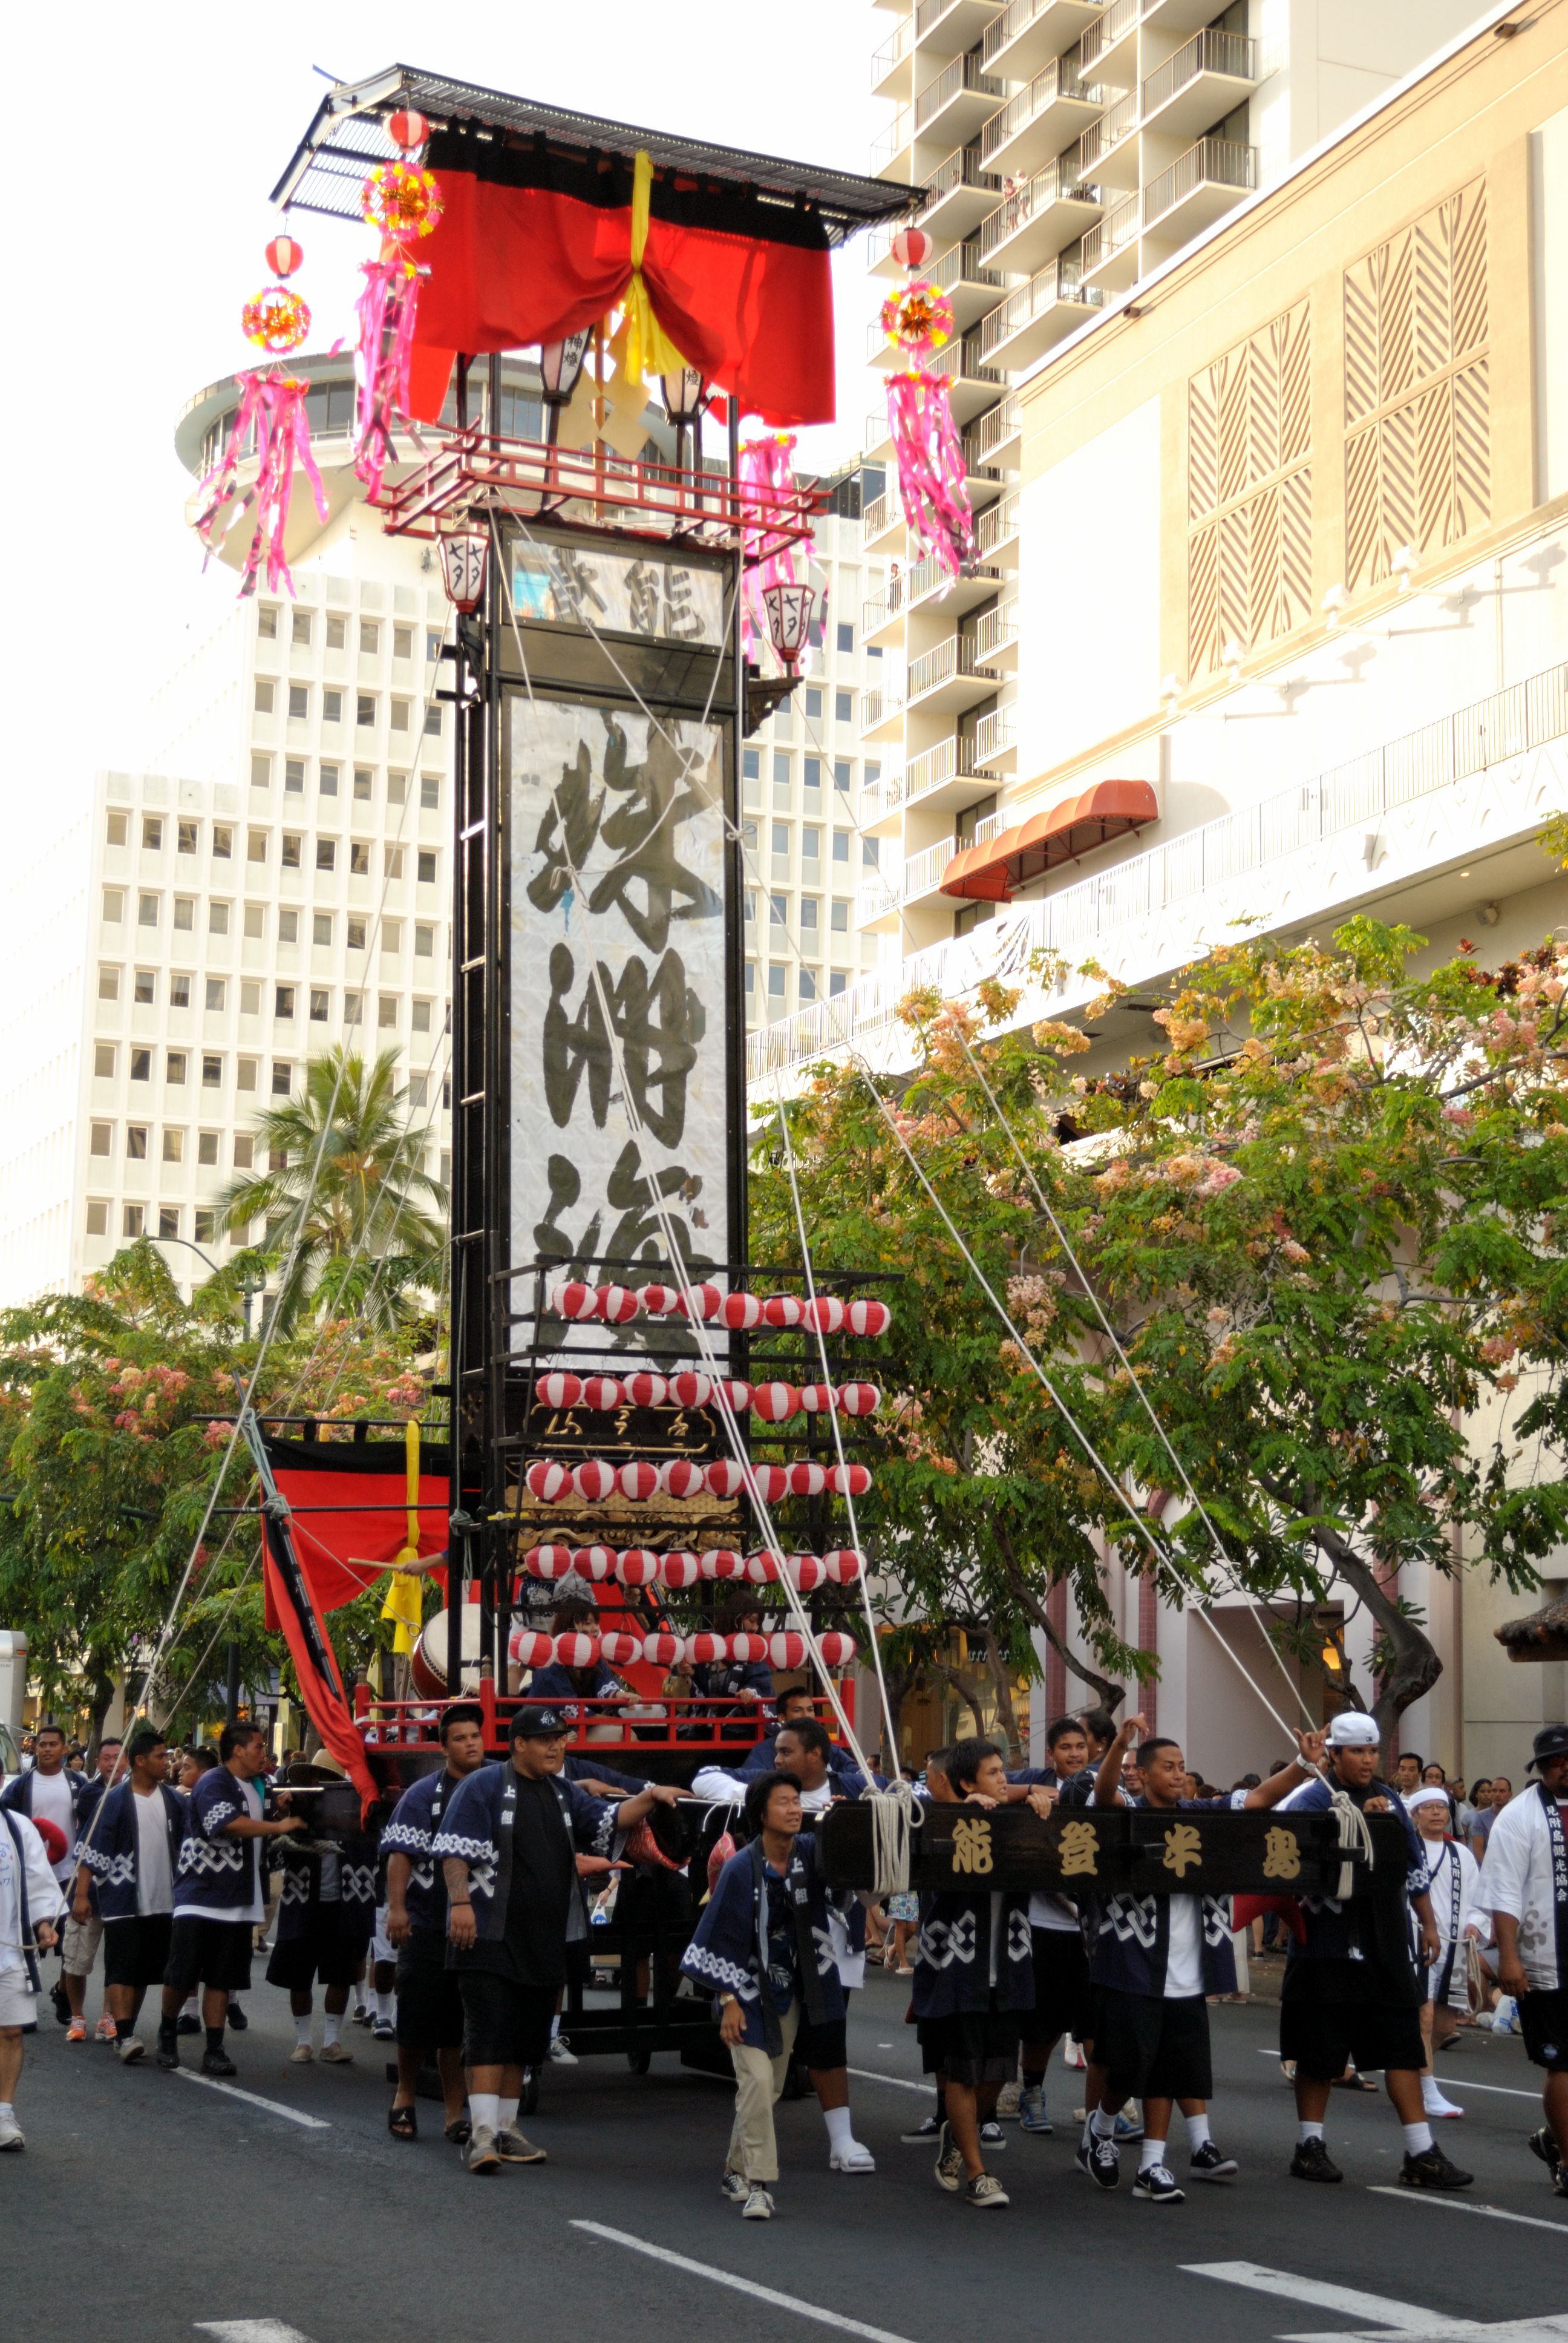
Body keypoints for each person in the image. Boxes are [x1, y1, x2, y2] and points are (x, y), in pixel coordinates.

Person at [1077, 1713, 1318, 2203]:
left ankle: (1152, 2166)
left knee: (1170, 2070)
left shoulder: (1203, 1812)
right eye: (1167, 1766)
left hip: (1188, 1968)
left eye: (1182, 1766)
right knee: (1126, 2067)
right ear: (1141, 1773)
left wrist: (1302, 1764)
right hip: (1133, 1962)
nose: (1177, 1773)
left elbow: (1256, 1800)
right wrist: (1119, 1746)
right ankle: (1100, 2131)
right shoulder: (1125, 1810)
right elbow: (1103, 1798)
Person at [436, 1703, 678, 2175]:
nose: (556, 1746)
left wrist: (651, 1796)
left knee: (527, 2039)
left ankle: (508, 2129)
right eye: (546, 1740)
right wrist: (460, 1903)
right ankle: (482, 2134)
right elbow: (454, 1851)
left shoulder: (564, 1793)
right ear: (518, 1744)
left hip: (544, 1935)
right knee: (490, 2032)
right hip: (488, 1931)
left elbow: (611, 1819)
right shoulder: (483, 1785)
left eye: (561, 1738)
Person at [1278, 1711, 1471, 2191]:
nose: (1367, 1761)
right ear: (1335, 1754)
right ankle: (1309, 2145)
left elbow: (1413, 1866)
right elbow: (1280, 1855)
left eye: (1372, 1751)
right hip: (1326, 1945)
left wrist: (1428, 1923)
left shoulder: (1389, 1800)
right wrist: (1346, 1829)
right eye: (1357, 1752)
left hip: (1386, 1944)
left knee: (1403, 2047)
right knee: (1319, 2053)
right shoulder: (1313, 1797)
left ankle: (1420, 2151)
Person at [683, 1768, 874, 2219]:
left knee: (762, 2093)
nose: (794, 1809)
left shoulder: (809, 1852)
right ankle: (758, 2185)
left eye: (797, 1801)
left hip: (792, 1989)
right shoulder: (738, 1868)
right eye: (785, 1802)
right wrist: (727, 2002)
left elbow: (845, 1883)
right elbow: (719, 1938)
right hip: (747, 1992)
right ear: (761, 1813)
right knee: (758, 2080)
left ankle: (733, 2167)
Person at [914, 1738, 1055, 2209]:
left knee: (997, 2073)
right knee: (962, 2068)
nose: (1003, 1780)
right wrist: (961, 1813)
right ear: (966, 1783)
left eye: (1004, 1771)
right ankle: (978, 2172)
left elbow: (1055, 1797)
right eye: (993, 1773)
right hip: (957, 1967)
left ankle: (960, 2138)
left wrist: (1029, 1798)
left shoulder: (1013, 1821)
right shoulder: (934, 1821)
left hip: (1010, 1964)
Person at [160, 1720, 305, 2076]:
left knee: (222, 1977)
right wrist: (279, 1826)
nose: (264, 1753)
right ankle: (167, 2032)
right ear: (238, 1750)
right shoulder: (214, 1781)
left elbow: (253, 1820)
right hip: (202, 1892)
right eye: (258, 1746)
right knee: (183, 1972)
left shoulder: (256, 1785)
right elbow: (227, 1824)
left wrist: (278, 1812)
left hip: (237, 1896)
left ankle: (214, 2047)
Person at [382, 1700, 488, 2143]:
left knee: (457, 2026)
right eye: (461, 1739)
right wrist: (398, 1909)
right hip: (428, 1921)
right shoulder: (423, 1794)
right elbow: (400, 1855)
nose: (471, 1745)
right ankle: (404, 2094)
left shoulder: (498, 1785)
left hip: (482, 1923)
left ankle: (453, 2112)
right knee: (417, 2018)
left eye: (476, 1737)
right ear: (444, 1747)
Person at [1478, 1722, 1568, 2194]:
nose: (1563, 1768)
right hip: (1548, 1957)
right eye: (1555, 1762)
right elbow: (1505, 1892)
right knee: (1564, 2062)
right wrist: (1509, 1958)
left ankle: (1553, 2139)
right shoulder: (1520, 1816)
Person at [72, 1727, 183, 2066]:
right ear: (139, 1761)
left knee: (147, 1969)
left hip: (165, 1900)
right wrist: (81, 1895)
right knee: (122, 1967)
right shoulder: (115, 1800)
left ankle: (128, 2028)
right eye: (160, 1756)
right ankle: (123, 2034)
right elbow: (91, 1850)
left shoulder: (175, 1800)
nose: (167, 1762)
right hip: (122, 1899)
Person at [266, 1765, 378, 2068]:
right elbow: (273, 1851)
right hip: (304, 1901)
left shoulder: (360, 1812)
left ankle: (331, 2040)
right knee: (298, 1975)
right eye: (312, 1782)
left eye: (324, 1780)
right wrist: (281, 1816)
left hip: (348, 1901)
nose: (317, 1785)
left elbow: (378, 1844)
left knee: (340, 1973)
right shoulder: (295, 1815)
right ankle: (303, 2042)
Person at [1017, 1717, 1094, 2137]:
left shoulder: (1106, 1788)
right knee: (1042, 2024)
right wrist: (1030, 1794)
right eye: (1066, 1747)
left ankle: (1103, 2112)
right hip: (1044, 1923)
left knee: (1094, 2022)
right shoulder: (1036, 1781)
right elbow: (997, 1787)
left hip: (1093, 1929)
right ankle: (1032, 2093)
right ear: (1051, 1753)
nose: (1074, 1754)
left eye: (1080, 1746)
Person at [1, 1721, 93, 2030]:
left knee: (69, 1943)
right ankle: (22, 2005)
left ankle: (63, 1991)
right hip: (29, 1873)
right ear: (36, 1748)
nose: (47, 1749)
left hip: (68, 1872)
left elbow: (91, 1825)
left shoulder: (78, 1784)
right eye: (42, 1744)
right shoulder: (21, 1786)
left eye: (54, 1744)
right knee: (30, 1941)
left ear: (65, 1749)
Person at [1406, 1784, 1486, 2120]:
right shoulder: (1407, 1850)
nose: (1437, 1812)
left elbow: (1478, 1900)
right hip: (1416, 1943)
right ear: (1415, 1815)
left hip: (1453, 1947)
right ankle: (1427, 2092)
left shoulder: (1462, 1854)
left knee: (1443, 2025)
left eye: (1442, 1807)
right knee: (1423, 2020)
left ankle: (1412, 2076)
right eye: (1429, 1807)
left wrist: (1475, 1924)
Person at [0, 1801, 64, 2150]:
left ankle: (4, 2114)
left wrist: (43, 1924)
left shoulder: (17, 1826)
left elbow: (38, 1881)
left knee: (10, 2031)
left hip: (10, 1948)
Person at [59, 1735, 125, 2042]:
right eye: (106, 1758)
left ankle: (108, 2018)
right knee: (76, 1960)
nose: (112, 1763)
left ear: (127, 1760)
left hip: (120, 1892)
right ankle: (78, 2017)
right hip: (87, 1890)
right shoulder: (91, 1793)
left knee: (117, 1961)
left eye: (117, 1757)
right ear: (97, 1763)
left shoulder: (136, 1794)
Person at [670, 1598, 776, 1742]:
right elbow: (692, 1694)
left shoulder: (755, 1652)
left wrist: (750, 1692)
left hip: (739, 1731)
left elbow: (760, 1683)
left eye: (758, 1623)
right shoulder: (707, 1648)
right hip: (703, 1729)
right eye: (752, 1620)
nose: (755, 1627)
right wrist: (688, 1677)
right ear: (735, 1619)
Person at [1472, 1775, 1514, 1863]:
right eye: (1494, 1791)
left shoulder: (1518, 1816)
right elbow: (1478, 1850)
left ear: (1510, 1794)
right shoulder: (1481, 1817)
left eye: (1502, 1791)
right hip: (1490, 1866)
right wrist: (1489, 1869)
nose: (1498, 1794)